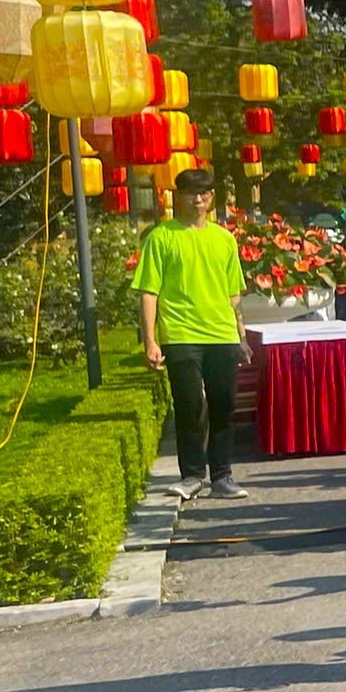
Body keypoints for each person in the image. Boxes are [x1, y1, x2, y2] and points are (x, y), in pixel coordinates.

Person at [135, 168, 248, 502]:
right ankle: (193, 476)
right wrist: (150, 338)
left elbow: (233, 296)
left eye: (203, 194)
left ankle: (223, 475)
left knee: (222, 405)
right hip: (181, 333)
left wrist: (240, 336)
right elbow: (148, 292)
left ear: (211, 198)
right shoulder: (161, 237)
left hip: (221, 334)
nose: (197, 200)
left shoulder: (224, 239)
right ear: (177, 197)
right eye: (190, 194)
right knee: (188, 404)